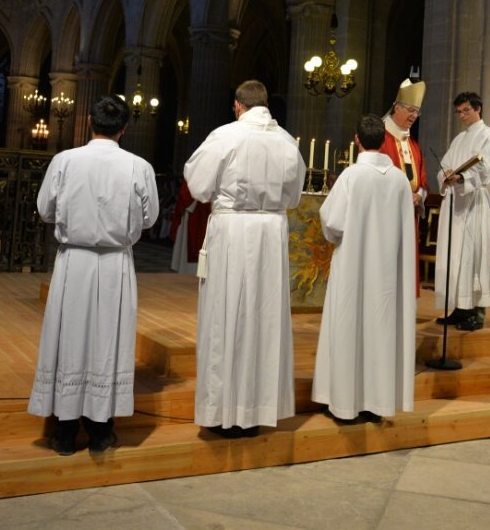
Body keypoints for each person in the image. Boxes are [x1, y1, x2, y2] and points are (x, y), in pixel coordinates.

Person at [29, 95, 159, 456]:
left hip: (75, 262)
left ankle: (65, 432)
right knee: (108, 341)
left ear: (89, 122)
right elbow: (150, 219)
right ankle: (102, 431)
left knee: (69, 339)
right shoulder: (139, 166)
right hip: (115, 264)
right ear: (124, 127)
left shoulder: (65, 161)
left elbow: (44, 210)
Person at [184, 80, 307, 438]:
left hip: (233, 233)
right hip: (270, 234)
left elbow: (198, 186)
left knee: (227, 318)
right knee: (263, 319)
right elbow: (295, 194)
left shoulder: (225, 136)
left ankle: (223, 412)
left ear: (238, 105)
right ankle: (255, 411)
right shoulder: (286, 142)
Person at [313, 114, 417, 424]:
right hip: (386, 271)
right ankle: (376, 402)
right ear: (384, 141)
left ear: (357, 140)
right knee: (380, 330)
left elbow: (331, 222)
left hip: (354, 265)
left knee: (348, 325)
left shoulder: (352, 176)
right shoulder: (399, 178)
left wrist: (334, 237)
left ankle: (345, 404)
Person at [436, 92, 490, 331]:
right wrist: (445, 176)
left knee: (473, 254)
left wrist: (462, 176)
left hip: (474, 200)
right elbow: (445, 164)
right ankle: (459, 307)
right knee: (455, 255)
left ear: (478, 109)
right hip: (455, 203)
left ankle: (477, 311)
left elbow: (487, 169)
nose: (462, 116)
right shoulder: (458, 139)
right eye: (459, 112)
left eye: (466, 110)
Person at [379, 77, 428, 293]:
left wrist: (420, 195)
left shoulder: (413, 145)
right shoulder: (380, 138)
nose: (414, 116)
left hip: (409, 216)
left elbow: (423, 181)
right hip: (386, 216)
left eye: (417, 111)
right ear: (396, 108)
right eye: (410, 110)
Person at [169, 180, 210, 276]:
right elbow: (185, 194)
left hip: (205, 210)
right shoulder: (191, 170)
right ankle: (187, 270)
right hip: (193, 211)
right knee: (189, 241)